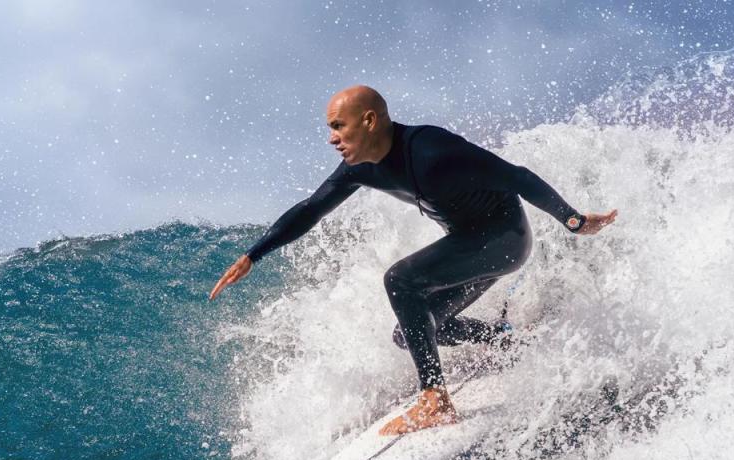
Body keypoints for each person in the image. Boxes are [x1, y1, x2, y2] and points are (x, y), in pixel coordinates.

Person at [210, 85, 618, 435]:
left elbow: (518, 176)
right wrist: (253, 255)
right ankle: (508, 343)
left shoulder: (433, 151)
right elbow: (311, 209)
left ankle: (435, 400)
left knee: (401, 280)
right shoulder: (359, 168)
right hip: (470, 246)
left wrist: (573, 220)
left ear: (369, 120)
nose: (332, 137)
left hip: (502, 241)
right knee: (411, 333)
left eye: (338, 125)